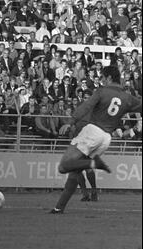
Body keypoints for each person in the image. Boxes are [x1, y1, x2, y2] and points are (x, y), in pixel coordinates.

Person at [50, 66, 142, 214]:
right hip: (106, 139)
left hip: (93, 131)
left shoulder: (102, 91)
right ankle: (59, 208)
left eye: (103, 77)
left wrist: (71, 122)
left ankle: (93, 163)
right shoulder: (128, 98)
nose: (102, 80)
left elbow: (86, 106)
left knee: (64, 166)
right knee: (75, 170)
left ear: (109, 77)